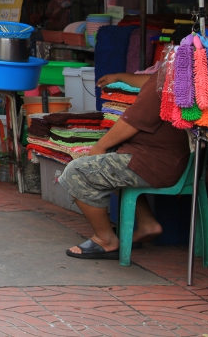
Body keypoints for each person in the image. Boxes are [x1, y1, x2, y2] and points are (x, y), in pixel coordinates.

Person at [59, 72, 190, 259]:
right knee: (109, 160)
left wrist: (99, 147)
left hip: (154, 163)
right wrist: (119, 77)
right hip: (160, 159)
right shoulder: (177, 77)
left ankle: (105, 240)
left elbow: (132, 121)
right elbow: (151, 79)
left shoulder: (165, 84)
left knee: (77, 171)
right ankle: (147, 224)